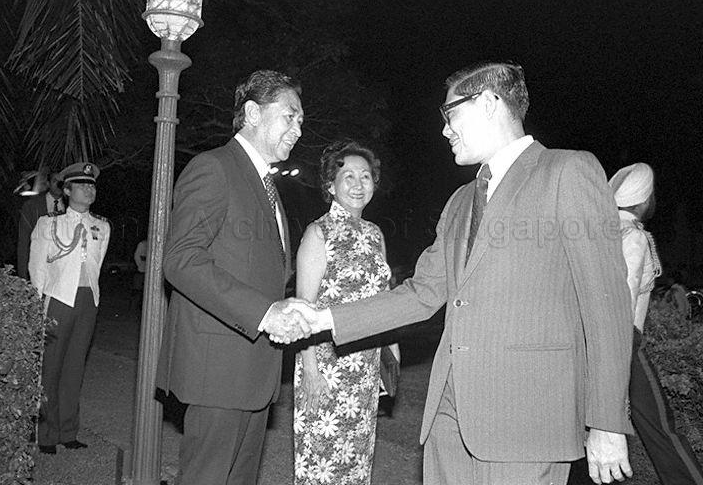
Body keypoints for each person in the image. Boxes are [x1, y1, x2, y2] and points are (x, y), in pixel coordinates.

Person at [274, 61, 635, 485]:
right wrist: (324, 319)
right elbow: (421, 292)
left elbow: (607, 303)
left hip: (527, 423)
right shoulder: (461, 201)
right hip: (449, 421)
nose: (445, 130)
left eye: (451, 115)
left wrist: (608, 421)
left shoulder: (567, 172)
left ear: (487, 103)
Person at [155, 69, 312, 485]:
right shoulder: (215, 168)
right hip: (218, 373)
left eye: (301, 121)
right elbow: (181, 259)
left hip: (254, 372)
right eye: (290, 115)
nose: (298, 129)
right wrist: (264, 313)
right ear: (253, 113)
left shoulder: (267, 185)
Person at [292, 140, 399, 484]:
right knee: (322, 462)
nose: (358, 183)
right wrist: (310, 370)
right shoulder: (318, 233)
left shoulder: (375, 234)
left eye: (365, 176)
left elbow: (382, 300)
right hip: (326, 367)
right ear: (329, 186)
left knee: (356, 462)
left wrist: (390, 353)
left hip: (365, 371)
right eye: (348, 176)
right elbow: (304, 310)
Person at [609, 163, 703, 484]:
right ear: (642, 198)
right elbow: (623, 298)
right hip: (625, 341)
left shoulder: (602, 234)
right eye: (652, 195)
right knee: (662, 428)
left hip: (599, 339)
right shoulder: (633, 237)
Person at [28, 162, 110, 455]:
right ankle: (46, 434)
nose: (89, 190)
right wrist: (38, 305)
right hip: (58, 298)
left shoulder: (103, 225)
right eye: (82, 185)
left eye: (92, 186)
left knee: (75, 368)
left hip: (88, 300)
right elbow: (37, 268)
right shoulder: (49, 224)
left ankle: (68, 431)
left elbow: (95, 267)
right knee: (50, 368)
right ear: (66, 190)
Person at [17, 167, 66, 279]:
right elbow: (24, 241)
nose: (59, 184)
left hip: (62, 271)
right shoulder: (32, 206)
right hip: (38, 268)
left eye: (61, 182)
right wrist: (22, 275)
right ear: (48, 183)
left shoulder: (71, 207)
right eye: (55, 181)